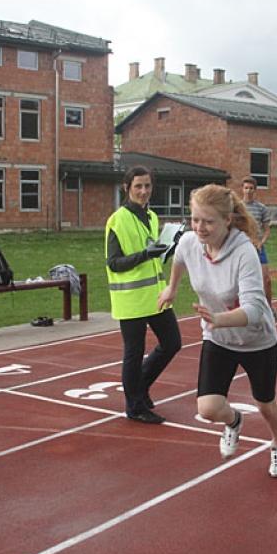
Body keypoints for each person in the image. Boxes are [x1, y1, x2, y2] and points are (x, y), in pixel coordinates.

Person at [158, 184, 277, 478]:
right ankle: (234, 421)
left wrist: (219, 317)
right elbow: (179, 258)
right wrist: (172, 287)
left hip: (256, 340)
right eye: (195, 219)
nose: (199, 228)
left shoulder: (245, 253)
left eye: (208, 221)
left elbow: (256, 310)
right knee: (208, 408)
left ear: (227, 220)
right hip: (218, 338)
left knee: (266, 404)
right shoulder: (190, 242)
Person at [105, 165, 182, 424]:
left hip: (155, 295)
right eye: (138, 186)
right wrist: (144, 255)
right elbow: (114, 263)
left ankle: (140, 388)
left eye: (147, 186)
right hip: (130, 299)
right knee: (133, 353)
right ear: (127, 188)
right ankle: (135, 406)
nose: (144, 191)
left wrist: (168, 249)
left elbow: (154, 259)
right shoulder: (117, 220)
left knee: (172, 343)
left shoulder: (151, 217)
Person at [241, 176, 277, 321]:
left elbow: (266, 230)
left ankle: (270, 309)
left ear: (255, 190)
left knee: (266, 280)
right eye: (246, 188)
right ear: (242, 189)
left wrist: (261, 242)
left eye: (251, 188)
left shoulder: (261, 208)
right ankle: (242, 310)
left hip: (258, 247)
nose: (248, 191)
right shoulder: (237, 207)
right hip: (242, 247)